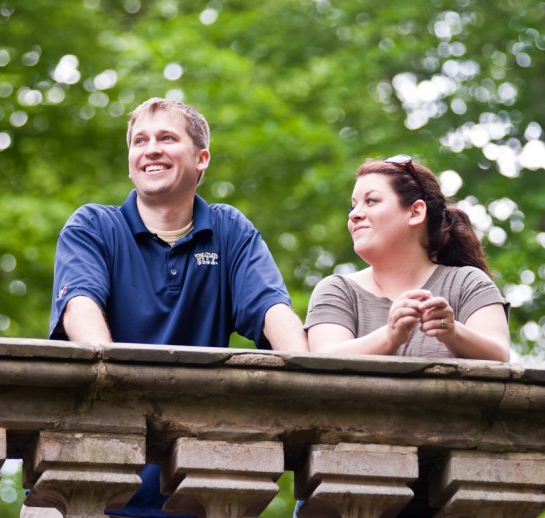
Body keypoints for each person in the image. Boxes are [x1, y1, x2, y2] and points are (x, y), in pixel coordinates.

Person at [45, 97, 308, 517]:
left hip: (192, 489)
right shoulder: (94, 225)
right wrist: (116, 383)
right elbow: (80, 307)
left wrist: (308, 372)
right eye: (139, 141)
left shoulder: (228, 229)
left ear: (201, 158)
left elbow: (271, 310)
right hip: (91, 478)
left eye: (167, 138)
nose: (150, 149)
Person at [304, 154, 510, 361]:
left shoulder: (468, 283)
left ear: (415, 212)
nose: (354, 214)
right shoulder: (337, 290)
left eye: (371, 201)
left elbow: (500, 356)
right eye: (353, 205)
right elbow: (323, 360)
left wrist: (452, 332)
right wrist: (389, 336)